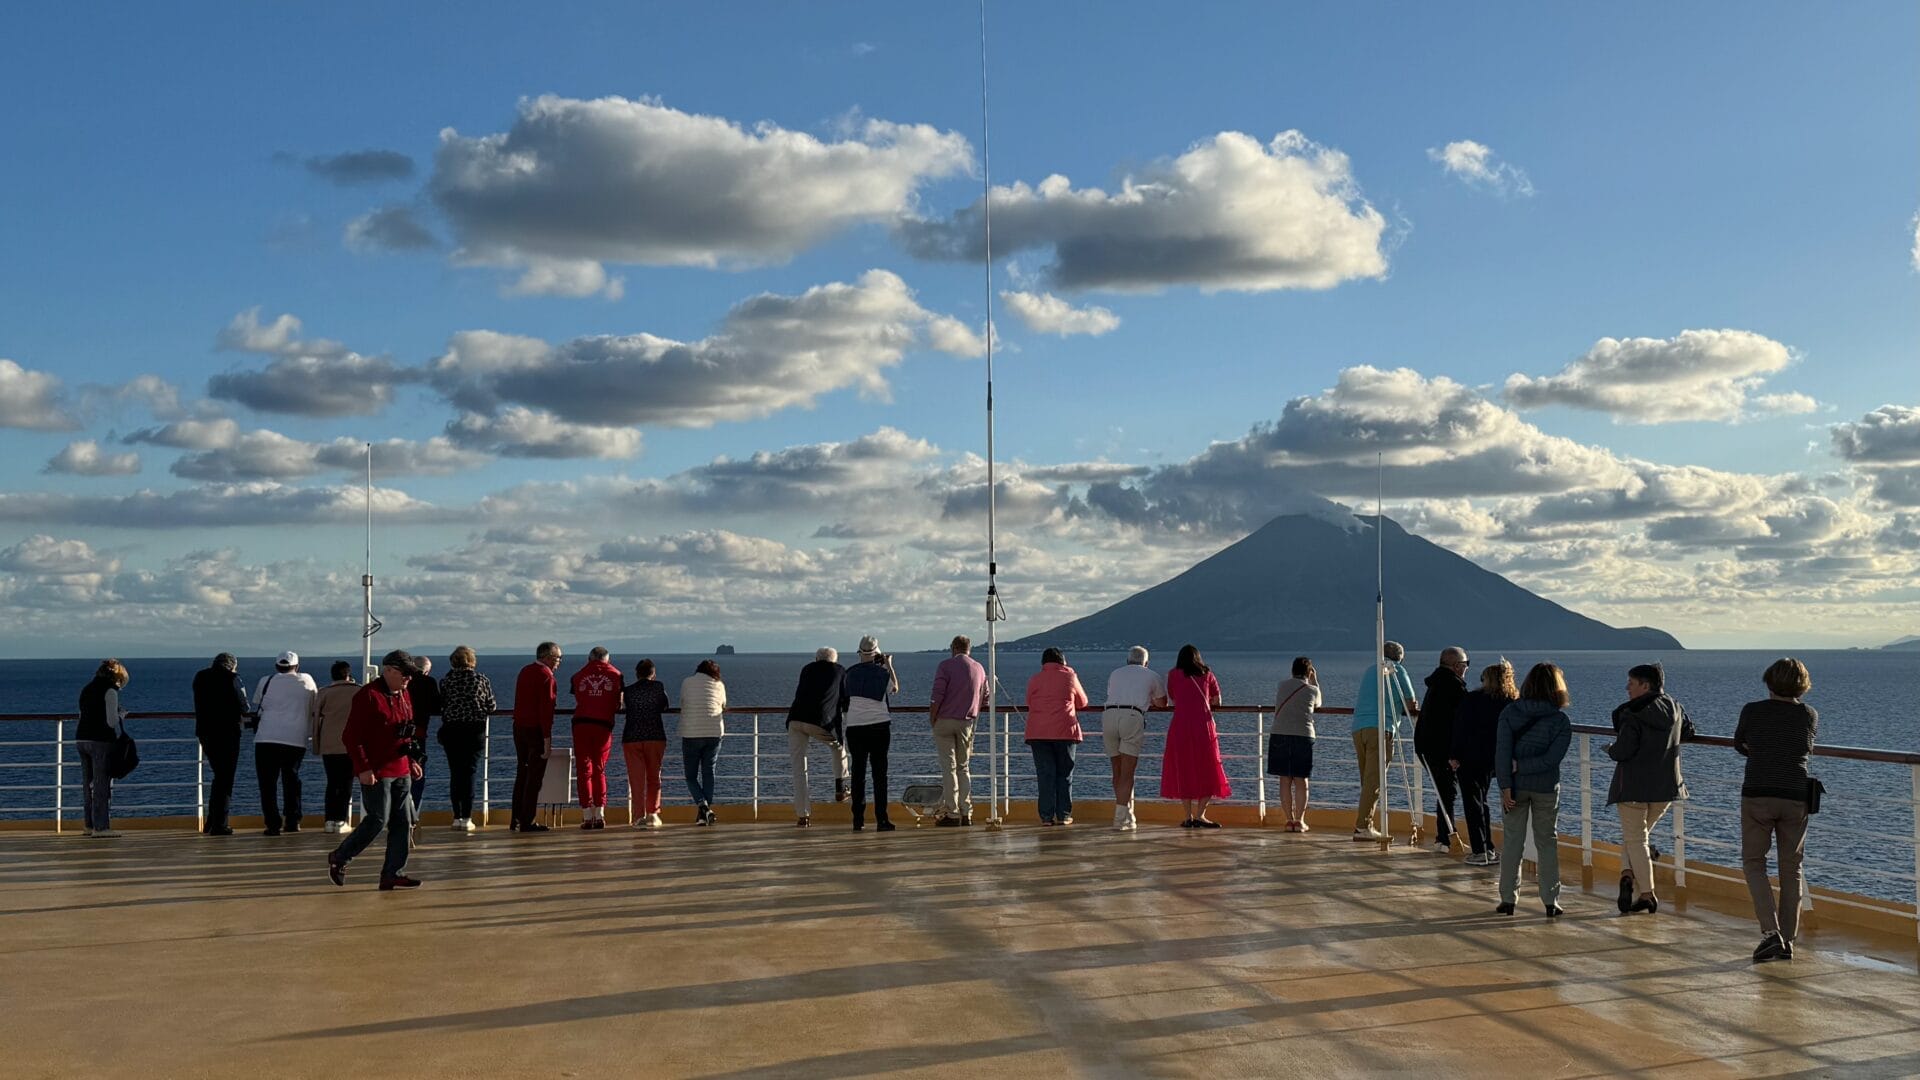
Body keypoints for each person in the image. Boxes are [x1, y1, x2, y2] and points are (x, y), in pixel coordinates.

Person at [1735, 658, 1818, 963]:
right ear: (1802, 686)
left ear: (1769, 682)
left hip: (1758, 793)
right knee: (1791, 868)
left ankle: (1771, 934)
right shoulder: (1809, 715)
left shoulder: (1753, 710)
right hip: (1796, 795)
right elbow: (1805, 747)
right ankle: (1788, 940)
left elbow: (1739, 743)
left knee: (1754, 863)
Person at [326, 650, 425, 891]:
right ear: (388, 670)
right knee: (377, 820)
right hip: (377, 770)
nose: (408, 679)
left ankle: (393, 873)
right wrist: (363, 767)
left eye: (410, 676)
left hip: (400, 767)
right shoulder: (368, 696)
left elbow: (406, 728)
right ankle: (340, 857)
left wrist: (412, 759)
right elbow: (351, 736)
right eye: (404, 674)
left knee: (403, 821)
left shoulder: (404, 694)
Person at [1606, 663, 1696, 915]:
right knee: (1636, 839)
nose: (1627, 688)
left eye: (1631, 683)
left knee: (1636, 839)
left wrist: (1609, 749)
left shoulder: (1632, 713)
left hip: (1633, 787)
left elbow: (1623, 750)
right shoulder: (1675, 707)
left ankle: (1647, 894)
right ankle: (1626, 874)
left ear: (1645, 686)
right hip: (1665, 787)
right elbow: (1689, 731)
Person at [1495, 662, 1573, 917]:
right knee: (1547, 842)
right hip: (1546, 788)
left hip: (1514, 788)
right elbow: (1552, 760)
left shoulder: (1510, 713)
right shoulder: (1560, 720)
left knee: (1512, 842)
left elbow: (1502, 753)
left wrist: (1507, 783)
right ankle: (1551, 900)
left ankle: (1508, 899)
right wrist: (1524, 767)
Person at [1450, 661, 1516, 866]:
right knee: (1487, 802)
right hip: (1495, 759)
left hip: (1470, 758)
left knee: (1474, 803)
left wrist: (1454, 755)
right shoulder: (1510, 702)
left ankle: (1481, 850)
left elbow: (1459, 728)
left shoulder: (1473, 699)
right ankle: (1492, 849)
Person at [1352, 641, 1418, 841]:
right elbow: (1411, 702)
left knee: (1367, 780)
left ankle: (1366, 823)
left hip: (1359, 728)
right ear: (1400, 658)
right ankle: (1363, 827)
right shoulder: (1397, 670)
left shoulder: (1371, 670)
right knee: (1375, 780)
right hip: (1381, 728)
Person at [1160, 644, 1230, 828]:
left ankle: (1188, 815)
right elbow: (1217, 701)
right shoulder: (1207, 674)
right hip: (1203, 727)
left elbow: (1173, 698)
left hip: (1180, 727)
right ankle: (1200, 815)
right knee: (1208, 769)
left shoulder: (1173, 674)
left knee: (1183, 769)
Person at [253, 650, 317, 835]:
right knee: (292, 779)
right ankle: (293, 820)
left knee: (267, 783)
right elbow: (314, 701)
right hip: (295, 739)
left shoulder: (266, 680)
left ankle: (272, 825)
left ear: (276, 666)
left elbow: (259, 702)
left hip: (266, 737)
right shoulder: (306, 680)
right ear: (296, 666)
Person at [1105, 646, 1168, 831]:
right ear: (1146, 662)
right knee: (1127, 772)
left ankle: (1128, 814)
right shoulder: (1151, 675)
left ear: (1127, 661)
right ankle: (1119, 818)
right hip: (1132, 717)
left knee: (1116, 770)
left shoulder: (1115, 673)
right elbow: (1162, 703)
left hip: (1108, 716)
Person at [787, 647, 850, 828]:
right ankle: (841, 786)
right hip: (821, 722)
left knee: (799, 769)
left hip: (796, 720)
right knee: (838, 748)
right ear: (834, 660)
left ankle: (803, 816)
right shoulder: (839, 671)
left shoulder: (807, 669)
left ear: (816, 659)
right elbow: (845, 699)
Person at [839, 637, 898, 832]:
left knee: (858, 774)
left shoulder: (849, 674)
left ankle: (858, 820)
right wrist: (889, 665)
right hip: (879, 726)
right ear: (877, 653)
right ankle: (882, 820)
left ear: (859, 653)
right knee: (880, 775)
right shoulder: (882, 673)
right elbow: (894, 688)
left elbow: (845, 698)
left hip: (855, 727)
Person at [1024, 647, 1088, 827]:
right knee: (1064, 774)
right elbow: (1083, 702)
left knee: (1045, 775)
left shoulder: (1035, 679)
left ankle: (1046, 816)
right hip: (1065, 731)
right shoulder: (1070, 677)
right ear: (1063, 661)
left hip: (1038, 733)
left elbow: (1029, 701)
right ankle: (1064, 815)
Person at [930, 636, 989, 826]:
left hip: (945, 721)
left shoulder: (945, 666)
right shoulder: (979, 668)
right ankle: (966, 811)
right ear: (969, 649)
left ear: (954, 648)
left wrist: (933, 718)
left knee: (949, 768)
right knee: (964, 767)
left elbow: (937, 695)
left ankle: (952, 812)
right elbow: (985, 697)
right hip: (966, 723)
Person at [1417, 647, 1470, 853]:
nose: (1466, 669)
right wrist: (1455, 753)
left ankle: (1444, 836)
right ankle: (1446, 838)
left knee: (1443, 792)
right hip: (1443, 749)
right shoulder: (1454, 687)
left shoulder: (1436, 684)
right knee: (1447, 792)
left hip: (1426, 746)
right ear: (1457, 666)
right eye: (1465, 665)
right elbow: (1459, 721)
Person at [437, 646, 495, 832]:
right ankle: (467, 817)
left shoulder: (446, 681)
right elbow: (491, 705)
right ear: (472, 660)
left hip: (452, 731)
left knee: (455, 773)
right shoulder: (480, 679)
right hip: (473, 730)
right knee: (469, 773)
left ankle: (456, 817)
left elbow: (442, 704)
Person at [190, 653, 249, 836]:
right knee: (225, 779)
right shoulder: (233, 679)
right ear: (232, 666)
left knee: (219, 776)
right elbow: (244, 706)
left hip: (205, 732)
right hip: (227, 733)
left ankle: (211, 822)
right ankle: (219, 824)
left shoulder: (200, 676)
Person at [569, 647, 624, 830]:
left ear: (589, 659)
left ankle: (586, 816)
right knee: (599, 769)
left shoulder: (578, 675)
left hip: (581, 725)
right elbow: (618, 703)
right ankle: (599, 815)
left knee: (584, 770)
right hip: (603, 726)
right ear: (607, 660)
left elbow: (578, 696)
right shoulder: (617, 675)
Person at [1266, 657, 1321, 833]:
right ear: (1309, 672)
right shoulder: (1312, 690)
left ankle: (1288, 820)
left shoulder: (1282, 686)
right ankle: (1300, 820)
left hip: (1279, 733)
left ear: (1292, 670)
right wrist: (1315, 680)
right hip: (1302, 736)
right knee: (1301, 781)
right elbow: (1318, 704)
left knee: (1284, 780)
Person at [511, 642, 562, 833]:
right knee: (534, 779)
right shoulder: (546, 676)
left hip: (519, 729)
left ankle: (515, 819)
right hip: (535, 732)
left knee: (522, 774)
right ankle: (527, 821)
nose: (559, 662)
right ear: (547, 657)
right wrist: (547, 741)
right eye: (557, 658)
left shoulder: (525, 671)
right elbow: (546, 712)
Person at [76, 659, 129, 838]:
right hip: (100, 740)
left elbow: (82, 714)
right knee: (101, 785)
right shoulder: (110, 691)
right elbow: (111, 721)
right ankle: (101, 827)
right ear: (117, 677)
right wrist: (121, 714)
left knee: (88, 784)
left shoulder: (87, 689)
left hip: (81, 738)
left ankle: (88, 825)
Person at [311, 661, 359, 833]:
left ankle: (329, 820)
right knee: (346, 783)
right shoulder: (359, 691)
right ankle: (340, 821)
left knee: (332, 783)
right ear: (348, 674)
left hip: (328, 744)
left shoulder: (324, 693)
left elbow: (316, 720)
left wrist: (316, 745)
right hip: (350, 745)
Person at [622, 659, 670, 828]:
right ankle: (653, 814)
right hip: (655, 736)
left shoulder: (628, 691)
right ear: (653, 674)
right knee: (654, 777)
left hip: (632, 737)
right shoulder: (658, 687)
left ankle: (638, 817)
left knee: (636, 780)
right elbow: (664, 706)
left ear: (637, 674)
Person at [679, 659, 727, 825]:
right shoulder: (719, 685)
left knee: (690, 776)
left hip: (691, 733)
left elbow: (683, 702)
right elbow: (723, 704)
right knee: (708, 773)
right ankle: (704, 814)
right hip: (714, 733)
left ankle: (703, 808)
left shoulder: (687, 682)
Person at [405, 656, 440, 814]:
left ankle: (399, 809)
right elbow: (436, 706)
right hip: (418, 733)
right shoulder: (429, 682)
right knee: (418, 773)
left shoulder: (404, 681)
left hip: (398, 734)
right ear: (427, 670)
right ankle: (413, 810)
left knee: (400, 773)